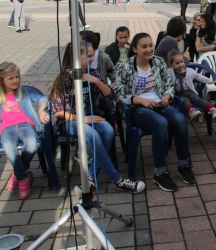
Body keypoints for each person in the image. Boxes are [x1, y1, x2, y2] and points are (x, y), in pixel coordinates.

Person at [51, 42, 145, 193]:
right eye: (88, 56)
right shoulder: (64, 80)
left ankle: (89, 178)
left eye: (92, 55)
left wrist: (96, 81)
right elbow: (58, 112)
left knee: (108, 131)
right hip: (70, 120)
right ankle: (118, 180)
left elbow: (109, 94)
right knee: (93, 135)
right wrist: (83, 119)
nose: (91, 59)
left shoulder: (93, 72)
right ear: (75, 57)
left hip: (90, 115)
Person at [114, 33, 195, 192]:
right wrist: (140, 100)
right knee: (161, 123)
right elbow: (117, 93)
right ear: (135, 49)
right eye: (144, 46)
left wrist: (167, 96)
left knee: (179, 119)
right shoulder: (125, 66)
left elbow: (169, 85)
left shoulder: (158, 62)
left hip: (159, 102)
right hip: (137, 108)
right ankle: (160, 172)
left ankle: (183, 164)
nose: (149, 49)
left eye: (151, 45)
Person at [0, 62, 48, 199]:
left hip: (26, 125)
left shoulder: (25, 91)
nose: (15, 80)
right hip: (7, 128)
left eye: (17, 77)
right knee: (9, 148)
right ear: (2, 80)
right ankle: (23, 179)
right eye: (10, 78)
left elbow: (41, 98)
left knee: (32, 146)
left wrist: (40, 109)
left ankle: (17, 174)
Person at [167, 50, 216, 121]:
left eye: (181, 61)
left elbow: (199, 77)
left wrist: (211, 81)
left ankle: (212, 109)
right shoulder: (169, 72)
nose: (180, 64)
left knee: (198, 99)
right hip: (177, 95)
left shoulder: (190, 71)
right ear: (171, 65)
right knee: (185, 101)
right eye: (177, 63)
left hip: (189, 92)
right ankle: (191, 111)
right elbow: (164, 78)